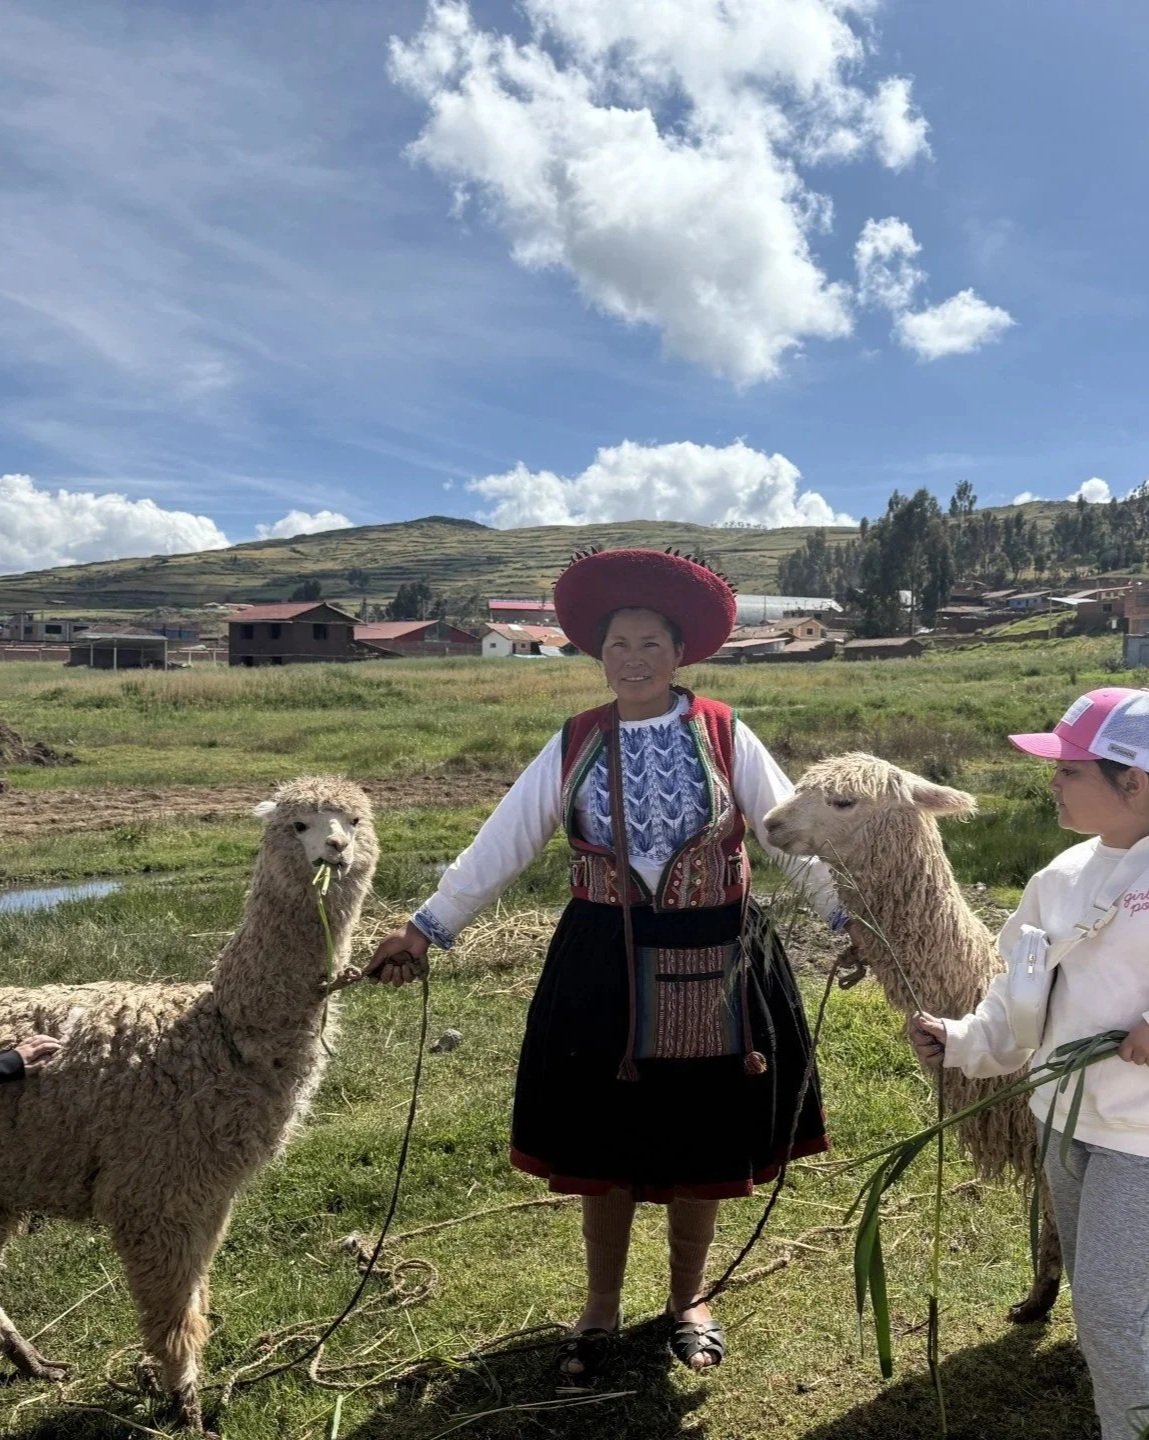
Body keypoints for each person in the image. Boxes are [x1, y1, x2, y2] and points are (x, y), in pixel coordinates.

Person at [366, 548, 851, 1380]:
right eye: (617, 643)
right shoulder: (577, 741)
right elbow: (505, 840)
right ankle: (597, 1310)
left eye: (649, 644)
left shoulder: (725, 732)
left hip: (717, 953)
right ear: (599, 654)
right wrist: (425, 927)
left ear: (678, 652)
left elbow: (789, 834)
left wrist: (846, 917)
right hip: (604, 962)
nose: (632, 658)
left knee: (703, 1134)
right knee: (603, 1139)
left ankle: (688, 1300)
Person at [910, 687, 1149, 1440]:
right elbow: (1018, 989)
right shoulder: (1060, 878)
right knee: (1104, 1296)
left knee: (1112, 1313)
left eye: (1068, 771)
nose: (1050, 783)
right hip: (1067, 1121)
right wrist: (961, 1041)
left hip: (1141, 1139)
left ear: (1133, 781)